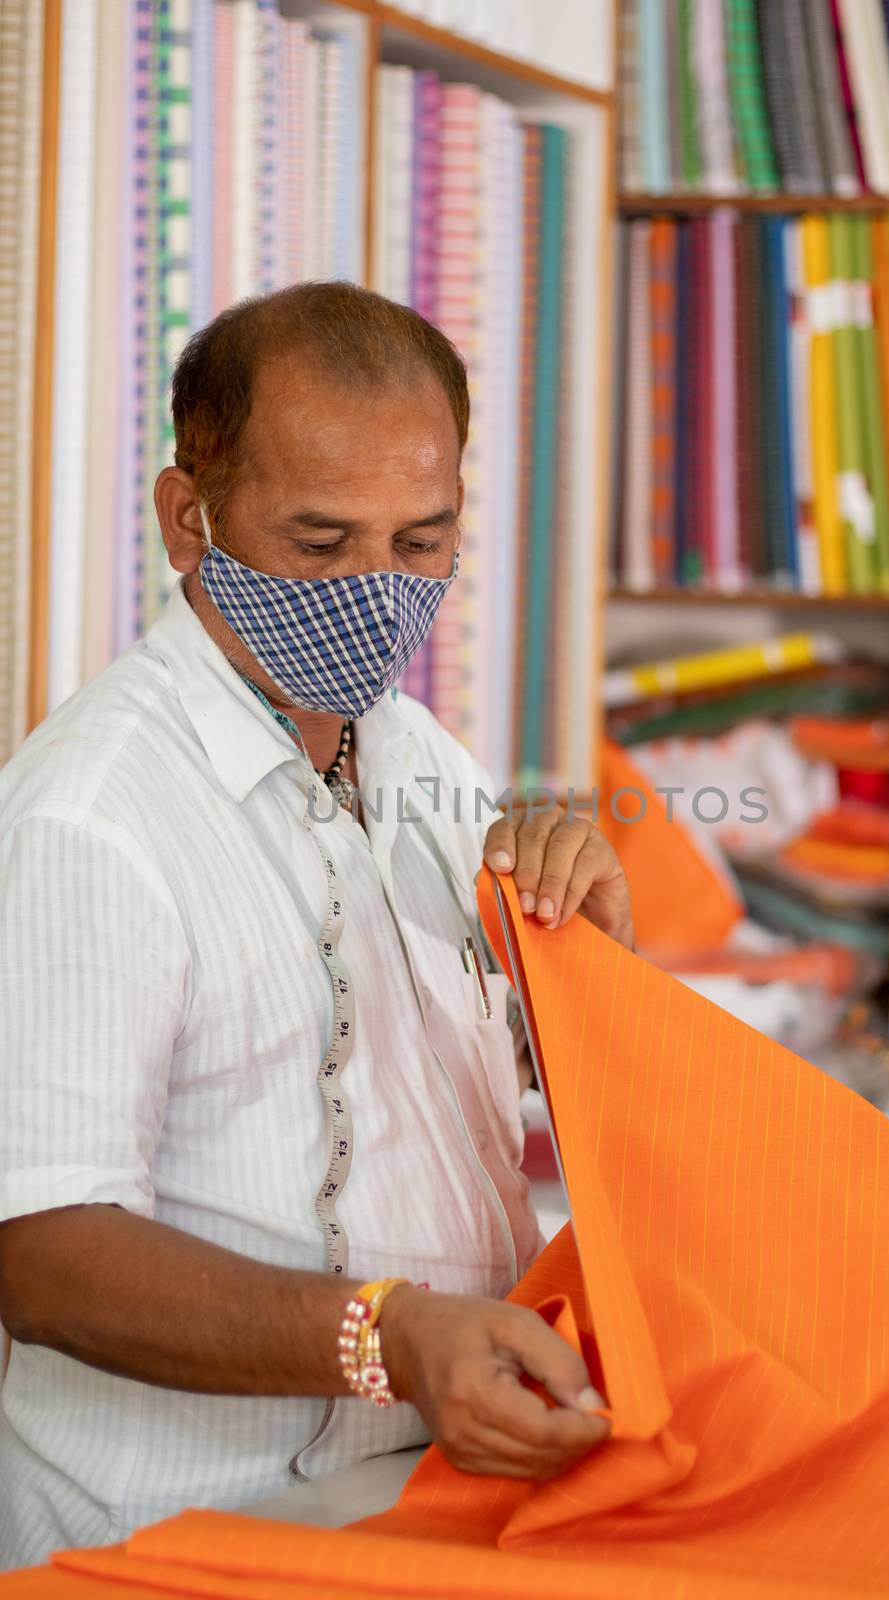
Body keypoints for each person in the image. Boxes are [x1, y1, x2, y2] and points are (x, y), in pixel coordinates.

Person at [0, 283, 633, 1568]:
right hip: (171, 1537)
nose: (375, 596)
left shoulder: (420, 757)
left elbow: (441, 1092)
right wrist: (386, 1335)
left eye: (419, 543)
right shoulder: (92, 816)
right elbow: (38, 1249)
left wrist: (586, 969)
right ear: (191, 521)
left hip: (412, 1498)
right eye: (320, 540)